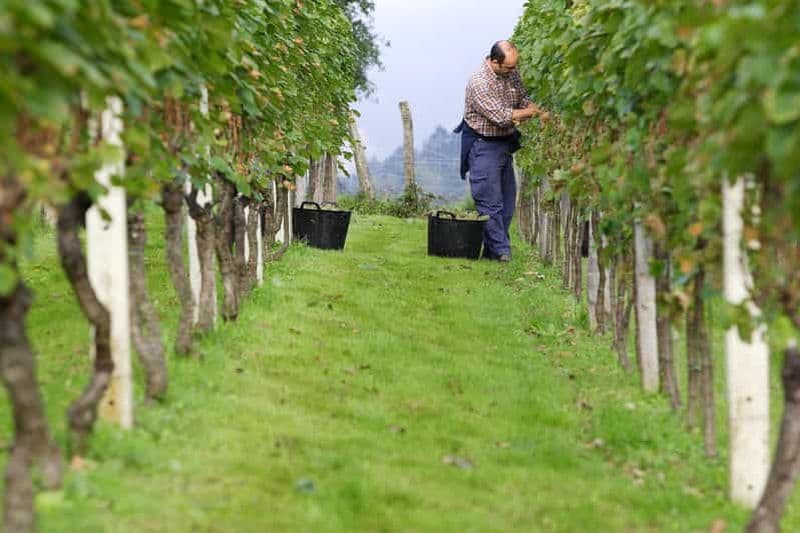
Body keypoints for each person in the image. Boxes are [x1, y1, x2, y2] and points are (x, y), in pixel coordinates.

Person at [456, 40, 548, 262]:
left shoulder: (511, 72)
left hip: (503, 144)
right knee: (490, 202)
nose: (514, 71)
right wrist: (532, 113)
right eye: (509, 68)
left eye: (515, 66)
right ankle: (501, 253)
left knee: (507, 201)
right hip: (483, 145)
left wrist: (535, 107)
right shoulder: (480, 82)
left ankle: (493, 251)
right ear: (495, 62)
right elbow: (501, 116)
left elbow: (522, 98)